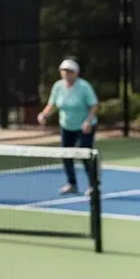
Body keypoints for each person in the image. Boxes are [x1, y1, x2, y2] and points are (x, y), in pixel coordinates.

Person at [37, 58, 100, 196]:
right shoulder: (58, 86)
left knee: (85, 155)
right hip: (66, 126)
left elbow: (94, 105)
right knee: (66, 156)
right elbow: (52, 104)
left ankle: (93, 186)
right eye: (64, 71)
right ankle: (72, 184)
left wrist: (88, 122)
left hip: (85, 126)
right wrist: (44, 114)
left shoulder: (84, 87)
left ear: (76, 73)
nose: (66, 73)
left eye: (70, 71)